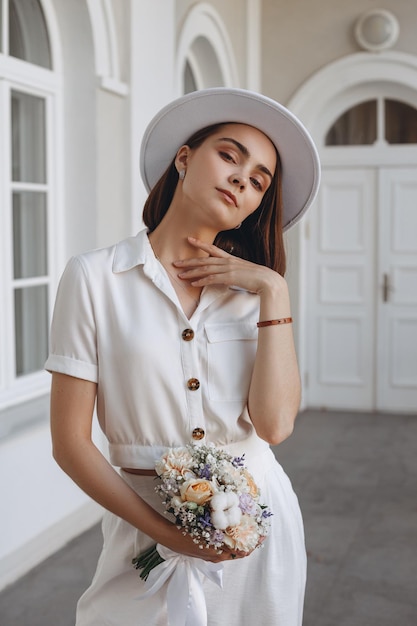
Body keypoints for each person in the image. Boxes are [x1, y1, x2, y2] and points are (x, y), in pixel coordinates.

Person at [46, 87, 320, 626]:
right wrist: (171, 536)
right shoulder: (95, 278)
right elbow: (70, 443)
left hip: (254, 529)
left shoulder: (257, 296)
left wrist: (274, 291)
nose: (244, 179)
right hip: (144, 531)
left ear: (256, 206)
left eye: (260, 179)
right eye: (229, 154)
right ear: (185, 157)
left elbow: (275, 424)